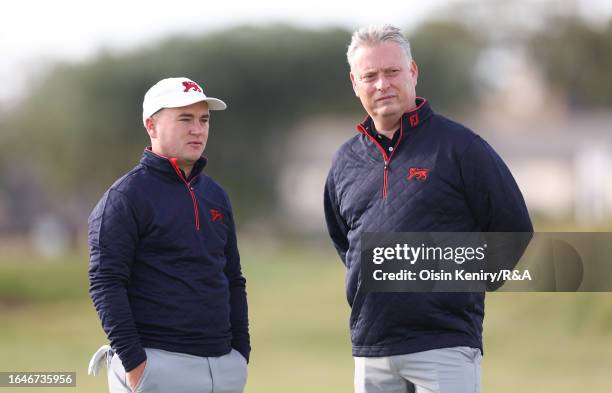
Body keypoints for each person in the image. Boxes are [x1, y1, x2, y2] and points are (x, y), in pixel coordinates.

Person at [323, 25, 532, 393]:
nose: (382, 84)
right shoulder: (344, 161)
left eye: (392, 72)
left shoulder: (461, 148)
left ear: (413, 72)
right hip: (371, 348)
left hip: (445, 345)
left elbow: (515, 231)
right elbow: (347, 244)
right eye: (369, 76)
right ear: (355, 83)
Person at [88, 77, 249, 393]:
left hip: (223, 365)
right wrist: (135, 364)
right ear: (152, 125)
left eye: (204, 120)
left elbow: (233, 278)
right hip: (157, 365)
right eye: (185, 119)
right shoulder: (126, 197)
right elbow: (106, 282)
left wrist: (240, 353)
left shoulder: (215, 195)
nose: (197, 129)